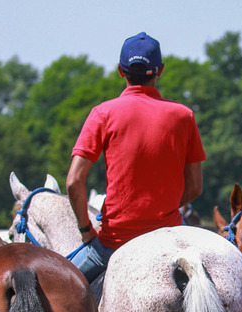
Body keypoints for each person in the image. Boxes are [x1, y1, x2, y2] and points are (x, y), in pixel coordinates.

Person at [67, 31, 206, 283]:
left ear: (121, 70)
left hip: (113, 243)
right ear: (160, 70)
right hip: (169, 236)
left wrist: (87, 230)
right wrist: (164, 206)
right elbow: (195, 187)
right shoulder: (184, 116)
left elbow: (73, 181)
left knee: (53, 293)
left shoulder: (102, 113)